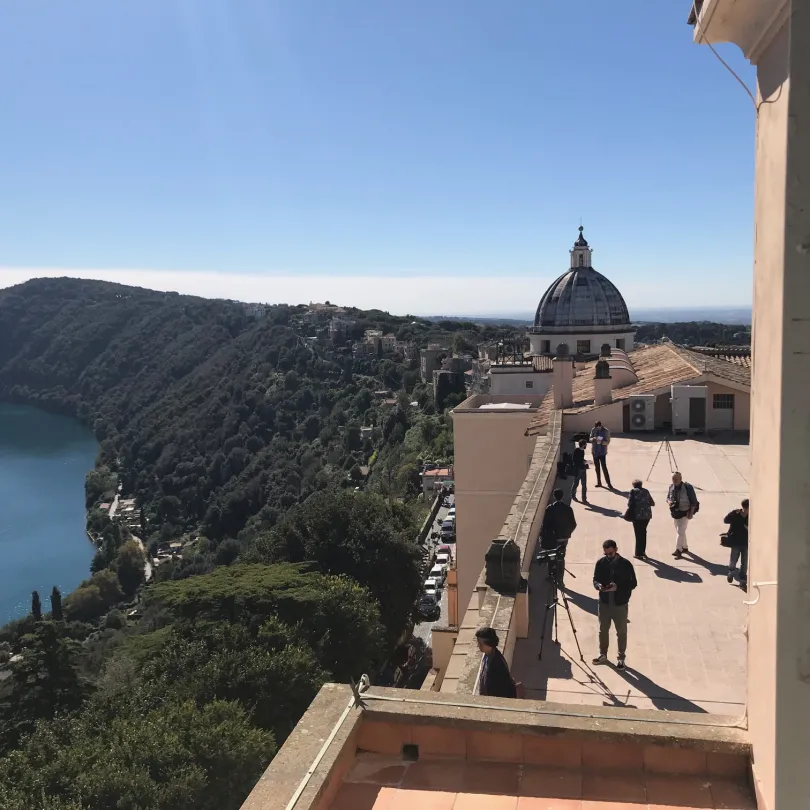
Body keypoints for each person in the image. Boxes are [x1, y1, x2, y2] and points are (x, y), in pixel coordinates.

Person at [592, 540, 637, 670]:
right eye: (606, 554)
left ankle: (621, 658)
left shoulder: (626, 565)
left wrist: (618, 588)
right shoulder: (601, 563)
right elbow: (595, 579)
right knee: (603, 630)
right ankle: (603, 654)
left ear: (616, 549)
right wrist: (598, 585)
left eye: (611, 553)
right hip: (604, 603)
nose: (608, 556)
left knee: (621, 632)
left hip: (620, 604)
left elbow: (633, 583)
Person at [475, 627, 517, 698]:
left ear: (489, 644)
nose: (478, 646)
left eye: (480, 644)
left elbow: (500, 691)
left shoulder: (497, 664)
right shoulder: (487, 655)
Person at [666, 472, 699, 559]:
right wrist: (669, 502)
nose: (674, 480)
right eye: (673, 479)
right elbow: (668, 498)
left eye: (676, 479)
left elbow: (694, 501)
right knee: (680, 531)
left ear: (681, 479)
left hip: (685, 512)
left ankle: (678, 550)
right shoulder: (671, 487)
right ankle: (685, 547)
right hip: (675, 513)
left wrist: (691, 513)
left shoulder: (688, 488)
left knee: (680, 532)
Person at [724, 498, 749, 591]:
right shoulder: (736, 514)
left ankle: (742, 580)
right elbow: (725, 520)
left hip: (746, 543)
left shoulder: (751, 517)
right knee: (733, 560)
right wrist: (733, 513)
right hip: (736, 542)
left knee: (744, 563)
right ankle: (731, 573)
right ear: (746, 508)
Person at [627, 479, 655, 560]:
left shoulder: (633, 491)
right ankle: (643, 551)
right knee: (643, 532)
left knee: (638, 534)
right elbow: (652, 503)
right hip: (647, 516)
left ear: (634, 485)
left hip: (637, 516)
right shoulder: (646, 491)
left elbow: (629, 504)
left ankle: (638, 553)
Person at [589, 421, 612, 489]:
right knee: (597, 468)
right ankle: (599, 482)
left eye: (598, 427)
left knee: (604, 467)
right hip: (595, 451)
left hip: (602, 452)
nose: (597, 429)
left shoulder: (606, 431)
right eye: (596, 427)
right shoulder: (593, 429)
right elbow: (590, 438)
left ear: (601, 425)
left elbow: (608, 442)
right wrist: (593, 439)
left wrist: (602, 442)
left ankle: (609, 483)